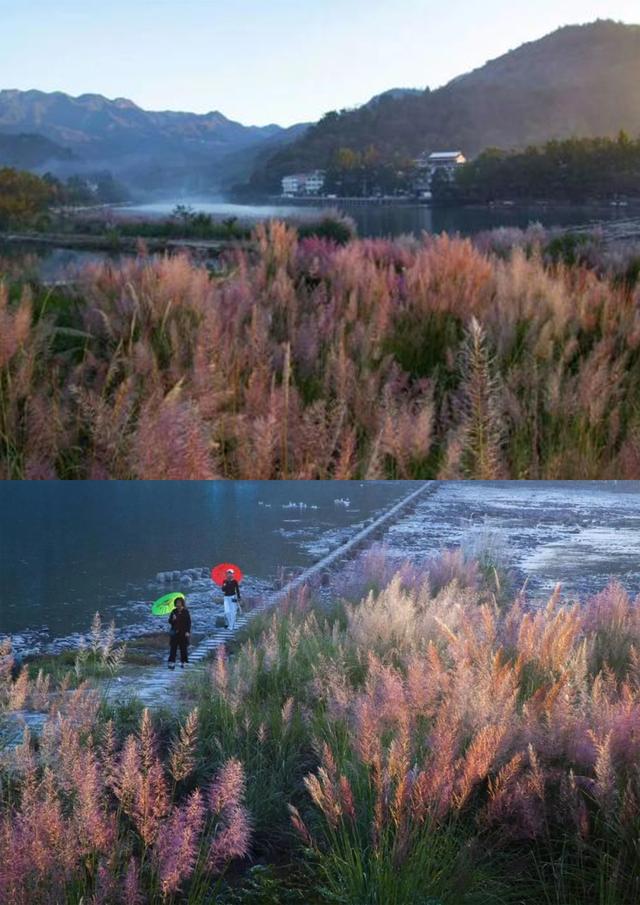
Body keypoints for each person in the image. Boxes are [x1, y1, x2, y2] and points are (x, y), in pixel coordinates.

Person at [168, 596, 191, 669]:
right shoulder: (173, 611)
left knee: (183, 648)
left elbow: (188, 622)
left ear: (182, 603)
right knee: (173, 648)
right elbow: (170, 622)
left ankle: (184, 662)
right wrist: (173, 619)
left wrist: (188, 631)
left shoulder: (186, 611)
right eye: (177, 603)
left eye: (179, 603)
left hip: (183, 632)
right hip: (174, 632)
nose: (178, 604)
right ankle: (172, 662)